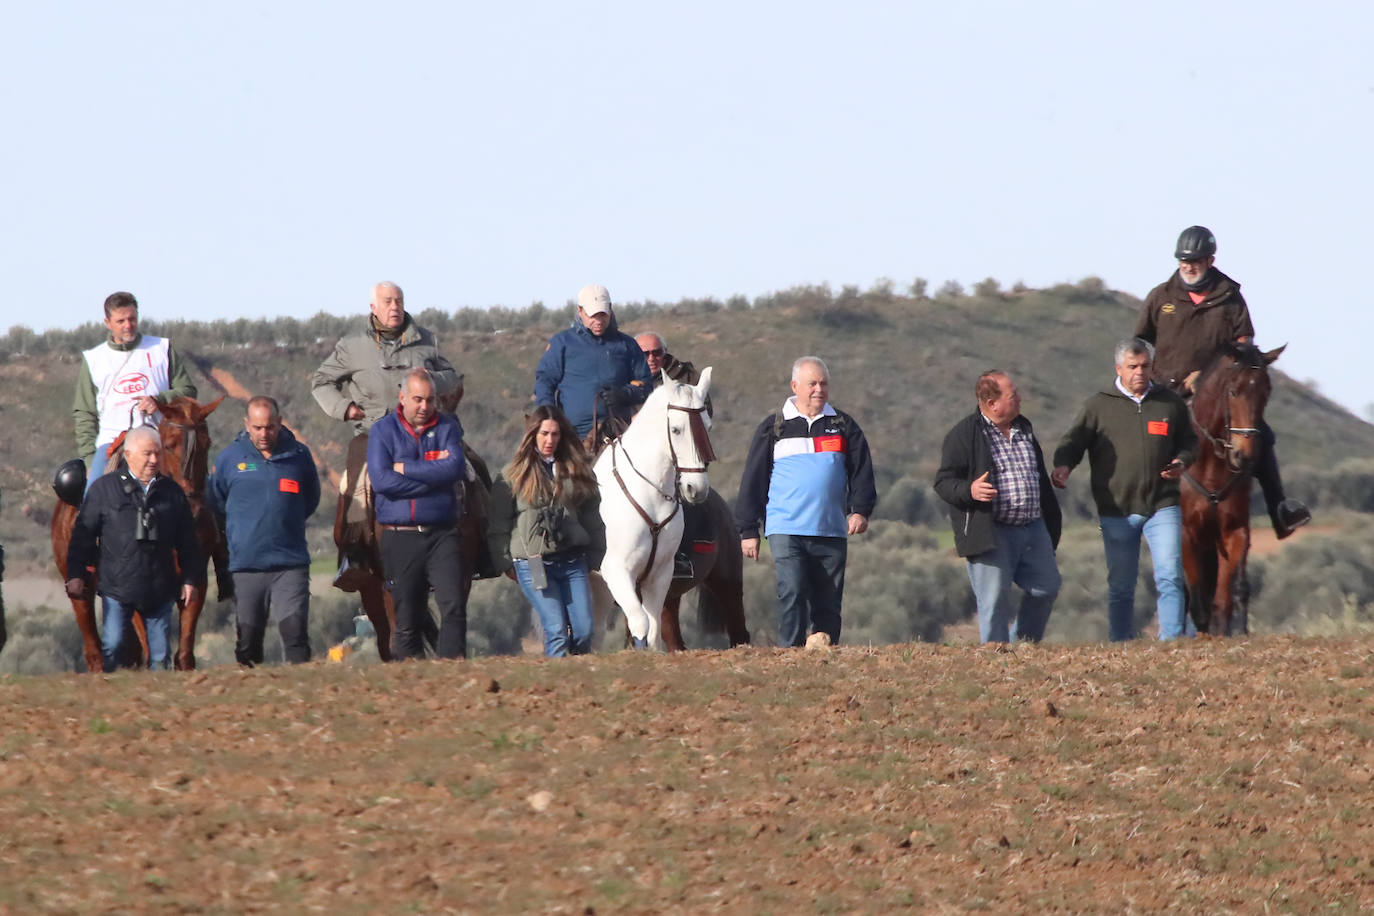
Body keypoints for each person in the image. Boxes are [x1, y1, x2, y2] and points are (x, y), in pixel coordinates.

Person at [1134, 225, 1310, 538]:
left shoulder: (1230, 296)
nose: (1189, 266)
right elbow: (1140, 342)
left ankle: (1280, 510)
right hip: (1166, 390)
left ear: (1211, 260)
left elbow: (1244, 346)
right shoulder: (1160, 296)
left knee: (1263, 437)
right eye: (1184, 260)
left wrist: (1207, 375)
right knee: (1144, 439)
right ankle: (1135, 513)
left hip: (1218, 394)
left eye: (1197, 260)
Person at [310, 281, 464, 589]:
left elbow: (452, 378)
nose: (395, 307)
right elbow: (321, 381)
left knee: (471, 471)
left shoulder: (426, 340)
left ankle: (482, 548)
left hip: (429, 430)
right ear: (373, 308)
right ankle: (354, 555)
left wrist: (426, 380)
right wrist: (345, 407)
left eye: (399, 301)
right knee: (355, 482)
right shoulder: (352, 346)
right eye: (388, 301)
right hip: (373, 433)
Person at [1052, 339, 1199, 642]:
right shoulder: (1098, 405)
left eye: (1145, 366)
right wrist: (1063, 465)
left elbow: (1189, 441)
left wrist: (1182, 461)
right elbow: (1074, 441)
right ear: (1119, 368)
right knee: (1121, 584)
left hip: (1163, 503)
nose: (1140, 372)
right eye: (1133, 367)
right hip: (1116, 508)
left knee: (1170, 576)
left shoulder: (1169, 403)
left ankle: (1171, 641)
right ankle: (1120, 644)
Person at [735, 357, 877, 647]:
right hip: (786, 528)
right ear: (795, 386)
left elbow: (862, 472)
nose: (818, 389)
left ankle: (825, 655)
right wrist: (748, 530)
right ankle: (791, 654)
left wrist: (860, 511)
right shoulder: (774, 427)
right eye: (812, 383)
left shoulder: (843, 425)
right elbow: (754, 479)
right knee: (793, 590)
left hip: (830, 530)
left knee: (828, 601)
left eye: (823, 383)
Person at [932, 371, 1062, 644]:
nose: (1020, 399)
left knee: (1047, 588)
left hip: (1032, 527)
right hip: (992, 530)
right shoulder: (963, 435)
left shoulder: (1024, 428)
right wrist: (970, 491)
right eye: (1013, 396)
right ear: (992, 403)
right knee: (993, 601)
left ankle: (1023, 646)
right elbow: (943, 482)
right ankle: (996, 662)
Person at [64, 426, 201, 671]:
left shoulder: (172, 492)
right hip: (117, 587)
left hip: (160, 588)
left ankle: (158, 704)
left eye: (157, 454)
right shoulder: (103, 490)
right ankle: (112, 701)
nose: (154, 460)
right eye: (147, 454)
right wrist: (75, 574)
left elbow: (188, 542)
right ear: (128, 454)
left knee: (160, 657)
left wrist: (190, 579)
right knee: (114, 646)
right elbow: (82, 537)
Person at [209, 396, 321, 666]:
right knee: (248, 642)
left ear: (280, 423)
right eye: (257, 427)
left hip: (290, 564)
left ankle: (301, 696)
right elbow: (216, 503)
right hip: (246, 566)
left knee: (295, 635)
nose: (263, 433)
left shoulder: (300, 456)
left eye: (269, 427)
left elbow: (311, 499)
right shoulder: (228, 459)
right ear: (246, 424)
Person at [487, 406, 605, 657]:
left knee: (584, 632)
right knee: (557, 631)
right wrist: (505, 563)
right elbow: (498, 524)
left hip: (573, 561)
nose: (549, 440)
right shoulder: (512, 474)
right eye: (544, 433)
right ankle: (558, 687)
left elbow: (593, 516)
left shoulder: (578, 472)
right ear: (533, 435)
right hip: (533, 563)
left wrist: (595, 555)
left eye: (555, 434)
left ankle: (574, 678)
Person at [367, 368, 468, 660]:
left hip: (442, 534)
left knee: (453, 605)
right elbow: (382, 481)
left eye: (430, 400)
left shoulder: (448, 428)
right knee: (407, 616)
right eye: (418, 400)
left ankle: (452, 668)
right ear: (402, 398)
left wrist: (405, 469)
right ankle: (353, 556)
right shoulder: (382, 431)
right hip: (401, 537)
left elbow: (455, 468)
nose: (425, 407)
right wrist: (433, 479)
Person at [73, 291, 197, 486]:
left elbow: (188, 391)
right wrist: (89, 458)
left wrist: (160, 400)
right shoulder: (95, 359)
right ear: (108, 323)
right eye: (121, 321)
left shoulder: (161, 349)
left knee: (196, 490)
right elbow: (84, 413)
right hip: (113, 443)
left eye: (132, 319)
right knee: (93, 496)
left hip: (162, 439)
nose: (128, 325)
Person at [534, 284, 652, 443]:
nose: (598, 321)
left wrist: (624, 394)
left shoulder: (627, 345)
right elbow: (545, 381)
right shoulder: (562, 343)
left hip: (619, 436)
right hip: (573, 437)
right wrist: (549, 416)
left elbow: (646, 385)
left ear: (610, 309)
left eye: (603, 315)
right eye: (592, 315)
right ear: (580, 311)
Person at [636, 330, 710, 579]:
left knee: (694, 496)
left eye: (656, 352)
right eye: (644, 353)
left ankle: (684, 551)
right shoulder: (623, 375)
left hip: (678, 457)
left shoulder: (686, 377)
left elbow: (702, 411)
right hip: (632, 453)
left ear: (665, 353)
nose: (651, 358)